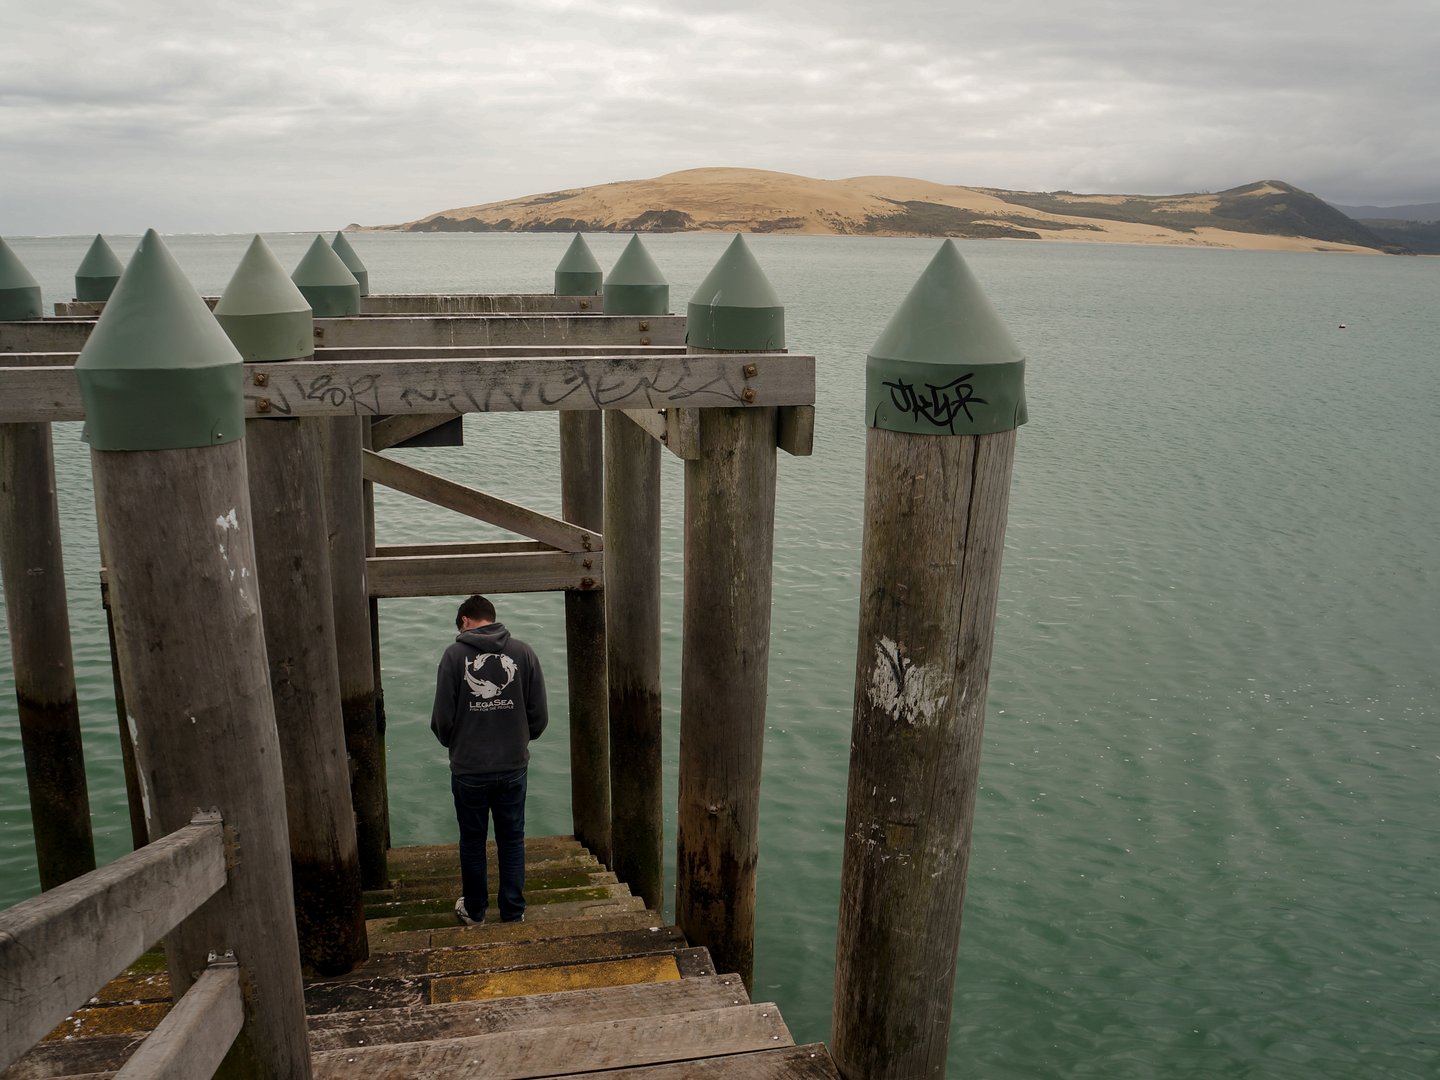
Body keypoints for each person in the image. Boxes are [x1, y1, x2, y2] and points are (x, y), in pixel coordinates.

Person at [431, 594, 548, 924]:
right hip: (513, 766)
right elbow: (538, 714)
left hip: (470, 768)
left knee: (472, 842)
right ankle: (513, 912)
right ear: (492, 618)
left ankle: (475, 911)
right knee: (512, 840)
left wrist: (455, 744)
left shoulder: (454, 656)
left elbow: (442, 718)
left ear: (466, 621)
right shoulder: (523, 652)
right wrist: (520, 740)